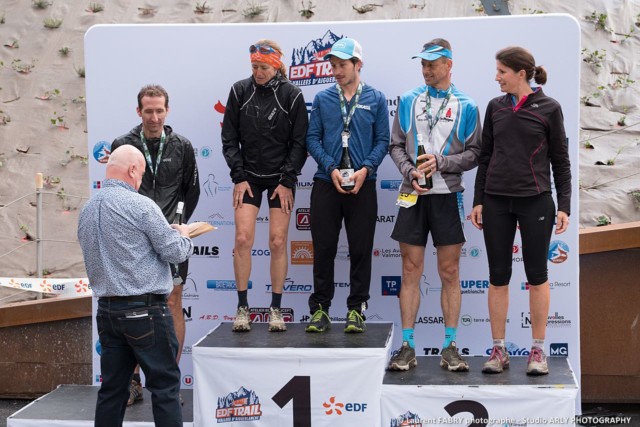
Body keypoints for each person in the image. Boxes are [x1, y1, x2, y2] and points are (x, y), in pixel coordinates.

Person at [471, 46, 571, 376]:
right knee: (498, 278)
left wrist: (565, 206)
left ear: (521, 74)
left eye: (501, 71)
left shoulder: (550, 108)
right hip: (497, 201)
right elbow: (486, 157)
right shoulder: (495, 107)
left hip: (536, 201)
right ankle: (498, 350)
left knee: (537, 277)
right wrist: (478, 200)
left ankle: (538, 351)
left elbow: (561, 161)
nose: (496, 77)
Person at [78, 145, 193, 427]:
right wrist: (184, 235)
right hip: (146, 312)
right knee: (165, 389)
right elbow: (175, 253)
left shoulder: (87, 208)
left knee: (112, 391)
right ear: (132, 170)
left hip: (107, 311)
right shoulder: (141, 205)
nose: (140, 178)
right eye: (141, 172)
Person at [386, 39, 482, 371]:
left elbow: (475, 154)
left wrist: (442, 162)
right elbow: (396, 145)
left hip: (447, 196)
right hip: (413, 195)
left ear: (448, 65)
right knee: (410, 270)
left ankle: (450, 346)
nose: (426, 70)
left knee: (449, 272)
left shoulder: (467, 105)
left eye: (433, 64)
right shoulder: (410, 100)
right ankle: (408, 345)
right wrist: (409, 170)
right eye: (423, 64)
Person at [111, 84, 200, 404]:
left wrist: (177, 225)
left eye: (159, 110)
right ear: (139, 112)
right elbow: (116, 190)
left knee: (173, 301)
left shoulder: (182, 146)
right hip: (134, 239)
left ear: (167, 110)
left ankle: (168, 383)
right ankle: (132, 381)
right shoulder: (123, 145)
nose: (154, 117)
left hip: (169, 236)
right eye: (148, 111)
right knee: (135, 307)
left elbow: (192, 191)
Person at [221, 39, 308, 332]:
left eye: (263, 67)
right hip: (248, 177)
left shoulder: (292, 95)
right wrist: (238, 175)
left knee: (277, 241)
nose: (258, 72)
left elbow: (299, 143)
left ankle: (275, 309)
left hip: (279, 179)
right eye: (254, 67)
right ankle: (242, 307)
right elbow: (229, 139)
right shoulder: (239, 91)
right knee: (243, 239)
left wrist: (287, 181)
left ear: (275, 65)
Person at [304, 37, 390, 334]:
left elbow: (383, 141)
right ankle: (320, 310)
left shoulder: (376, 99)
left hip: (363, 184)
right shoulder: (323, 98)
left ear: (358, 65)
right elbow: (312, 138)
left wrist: (366, 169)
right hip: (328, 183)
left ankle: (356, 309)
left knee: (361, 249)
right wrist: (331, 168)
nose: (337, 71)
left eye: (342, 65)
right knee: (324, 248)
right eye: (333, 65)